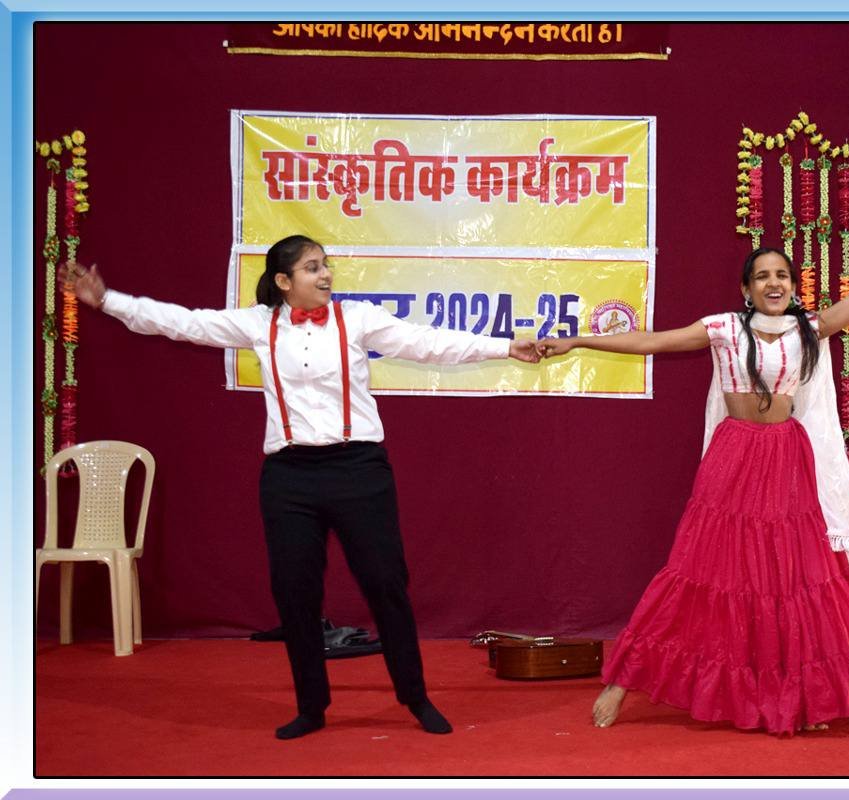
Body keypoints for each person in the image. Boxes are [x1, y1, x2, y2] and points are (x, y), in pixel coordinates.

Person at [59, 235, 540, 740]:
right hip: (290, 477)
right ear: (284, 281)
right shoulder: (257, 323)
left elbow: (429, 342)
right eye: (313, 267)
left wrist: (504, 346)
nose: (326, 274)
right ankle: (312, 706)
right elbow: (183, 323)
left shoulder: (358, 318)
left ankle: (415, 696)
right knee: (295, 593)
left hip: (359, 470)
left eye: (326, 265)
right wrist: (106, 300)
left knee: (386, 585)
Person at [536, 176, 849, 734]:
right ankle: (623, 680)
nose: (773, 283)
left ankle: (800, 695)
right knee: (696, 568)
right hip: (735, 455)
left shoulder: (809, 329)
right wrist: (578, 340)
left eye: (781, 275)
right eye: (762, 276)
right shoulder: (722, 329)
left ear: (793, 286)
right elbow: (653, 340)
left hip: (787, 457)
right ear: (746, 288)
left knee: (791, 577)